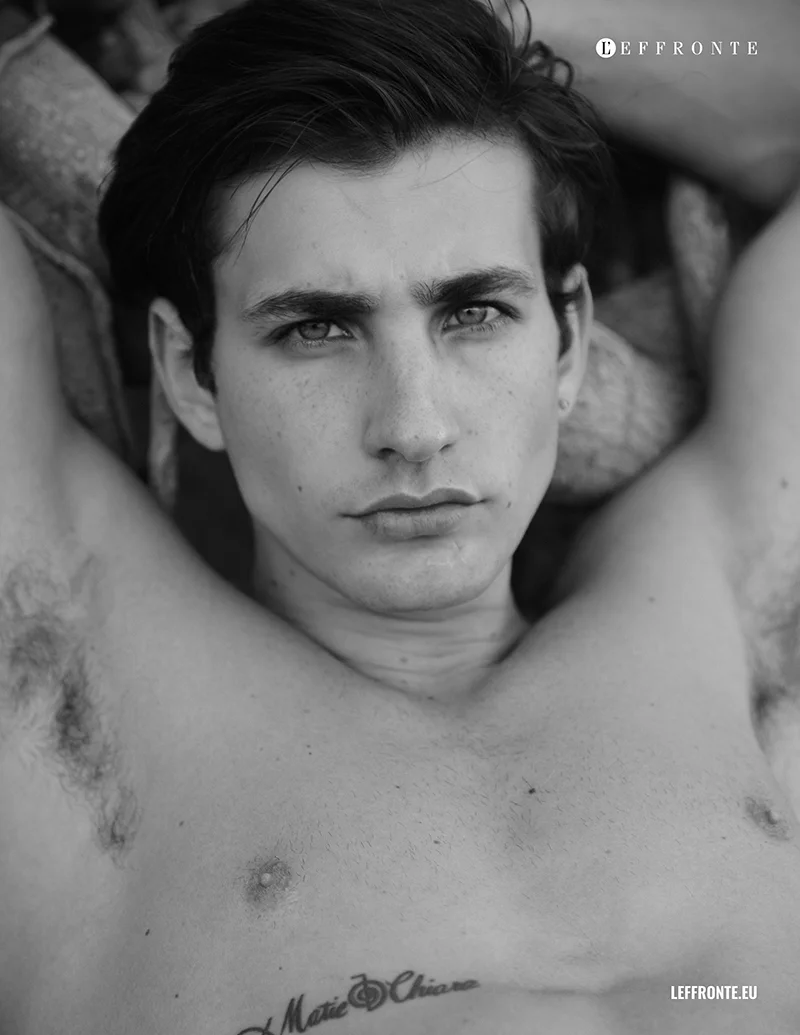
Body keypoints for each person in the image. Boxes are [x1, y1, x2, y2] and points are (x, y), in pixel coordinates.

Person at [1, 0, 799, 1031]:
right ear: (189, 372)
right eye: (317, 329)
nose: (413, 427)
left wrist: (479, 13)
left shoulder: (735, 599)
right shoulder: (67, 668)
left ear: (566, 343)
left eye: (474, 312)